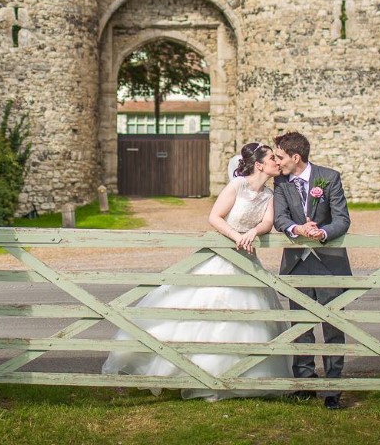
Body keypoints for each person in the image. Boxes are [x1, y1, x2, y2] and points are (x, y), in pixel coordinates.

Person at [102, 142, 292, 400]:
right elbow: (215, 217)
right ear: (259, 164)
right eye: (272, 158)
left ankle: (240, 376)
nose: (277, 162)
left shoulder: (269, 195)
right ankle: (188, 369)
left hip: (247, 258)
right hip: (224, 255)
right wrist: (236, 236)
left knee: (248, 316)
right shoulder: (237, 186)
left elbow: (268, 222)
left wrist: (253, 232)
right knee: (206, 309)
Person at [272, 131, 352, 409]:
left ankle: (332, 389)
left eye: (280, 156)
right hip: (296, 264)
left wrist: (322, 232)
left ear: (296, 157)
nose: (276, 160)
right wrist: (298, 229)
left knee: (332, 327)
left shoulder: (329, 177)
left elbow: (343, 219)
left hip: (329, 263)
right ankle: (304, 383)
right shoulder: (281, 182)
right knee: (300, 326)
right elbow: (280, 218)